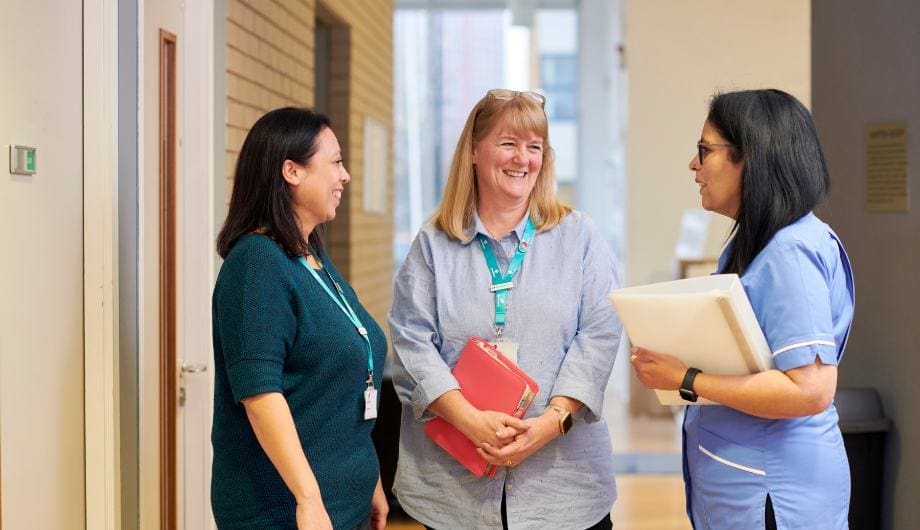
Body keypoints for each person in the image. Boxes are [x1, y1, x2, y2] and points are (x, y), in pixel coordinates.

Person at [388, 89, 622, 529]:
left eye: (535, 147)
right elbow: (410, 343)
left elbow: (600, 335)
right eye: (508, 143)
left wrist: (550, 424)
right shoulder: (433, 245)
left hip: (563, 492)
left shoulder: (579, 237)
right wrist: (470, 421)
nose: (523, 159)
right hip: (454, 492)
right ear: (475, 151)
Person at [631, 89, 855, 530]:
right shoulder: (756, 242)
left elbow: (810, 390)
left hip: (775, 495)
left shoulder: (789, 250)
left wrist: (687, 379)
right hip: (748, 485)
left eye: (704, 151)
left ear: (750, 157)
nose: (694, 166)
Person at [211, 107, 389, 530]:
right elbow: (260, 396)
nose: (344, 176)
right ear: (291, 171)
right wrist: (308, 499)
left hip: (345, 502)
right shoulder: (256, 263)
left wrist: (371, 480)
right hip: (284, 510)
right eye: (335, 162)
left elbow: (338, 383)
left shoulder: (311, 257)